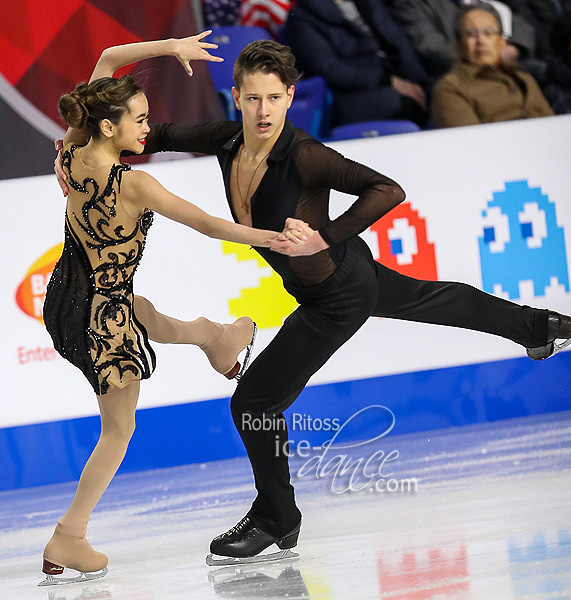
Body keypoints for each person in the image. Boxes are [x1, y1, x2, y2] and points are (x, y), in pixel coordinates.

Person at [56, 37, 571, 566]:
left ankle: (277, 516)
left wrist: (324, 237)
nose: (264, 111)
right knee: (440, 300)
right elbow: (148, 135)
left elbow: (386, 189)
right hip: (344, 277)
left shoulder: (304, 155)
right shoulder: (227, 140)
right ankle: (540, 327)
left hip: (336, 294)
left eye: (275, 99)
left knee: (254, 402)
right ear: (236, 97)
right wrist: (83, 145)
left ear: (290, 96)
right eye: (253, 99)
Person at [40, 32, 306, 586]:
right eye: (138, 119)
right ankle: (70, 534)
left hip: (67, 301)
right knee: (119, 429)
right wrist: (272, 236)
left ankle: (218, 338)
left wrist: (173, 46)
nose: (147, 127)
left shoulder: (75, 148)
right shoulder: (134, 183)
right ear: (110, 126)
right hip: (100, 317)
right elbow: (210, 225)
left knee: (149, 314)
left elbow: (109, 60)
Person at [284, 0, 431, 127]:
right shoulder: (302, 17)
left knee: (436, 93)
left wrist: (419, 81)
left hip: (391, 78)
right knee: (406, 104)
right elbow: (328, 69)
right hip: (349, 96)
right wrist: (386, 80)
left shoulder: (367, 5)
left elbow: (398, 43)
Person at [431, 2, 554, 127]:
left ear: (502, 42)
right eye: (471, 34)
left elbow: (553, 129)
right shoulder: (450, 88)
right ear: (458, 46)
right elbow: (469, 142)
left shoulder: (524, 79)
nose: (481, 41)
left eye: (488, 33)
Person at [387, 0, 538, 79]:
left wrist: (513, 48)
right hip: (457, 76)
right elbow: (430, 47)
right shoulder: (411, 3)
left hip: (507, 67)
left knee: (540, 73)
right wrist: (487, 56)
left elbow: (519, 24)